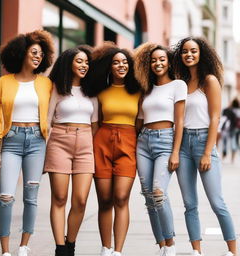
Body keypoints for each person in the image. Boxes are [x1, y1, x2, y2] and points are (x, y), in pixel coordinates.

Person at [0, 30, 54, 256]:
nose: (38, 57)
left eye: (41, 54)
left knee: (31, 195)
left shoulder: (46, 84)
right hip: (11, 141)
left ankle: (24, 246)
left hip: (37, 141)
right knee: (5, 196)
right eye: (34, 52)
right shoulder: (3, 82)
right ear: (22, 53)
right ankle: (5, 250)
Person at [173, 37, 236, 256]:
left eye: (193, 51)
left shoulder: (209, 81)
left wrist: (208, 152)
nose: (188, 54)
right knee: (189, 203)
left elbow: (215, 118)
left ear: (201, 54)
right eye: (184, 51)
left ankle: (232, 250)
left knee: (217, 202)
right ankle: (196, 250)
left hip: (203, 142)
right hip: (183, 146)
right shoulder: (180, 82)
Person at [87, 42, 141, 256]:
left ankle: (118, 250)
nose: (121, 66)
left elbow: (140, 122)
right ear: (109, 67)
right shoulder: (100, 92)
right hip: (102, 142)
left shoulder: (138, 91)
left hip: (128, 142)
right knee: (105, 199)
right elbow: (96, 121)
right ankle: (105, 248)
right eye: (116, 62)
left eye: (125, 62)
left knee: (121, 197)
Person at [44, 45, 98, 256]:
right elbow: (48, 121)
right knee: (59, 197)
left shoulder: (91, 91)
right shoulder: (57, 88)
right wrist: (42, 152)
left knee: (81, 200)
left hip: (85, 144)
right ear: (69, 63)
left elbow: (95, 124)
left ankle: (71, 243)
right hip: (59, 141)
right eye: (79, 61)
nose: (84, 65)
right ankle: (60, 249)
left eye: (86, 62)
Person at [134, 43, 187, 256]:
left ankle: (171, 244)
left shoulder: (178, 85)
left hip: (165, 141)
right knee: (148, 197)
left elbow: (180, 121)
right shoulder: (145, 88)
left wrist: (175, 151)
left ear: (169, 62)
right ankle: (162, 245)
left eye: (162, 59)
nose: (158, 63)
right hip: (143, 142)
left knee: (158, 193)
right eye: (154, 60)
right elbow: (138, 120)